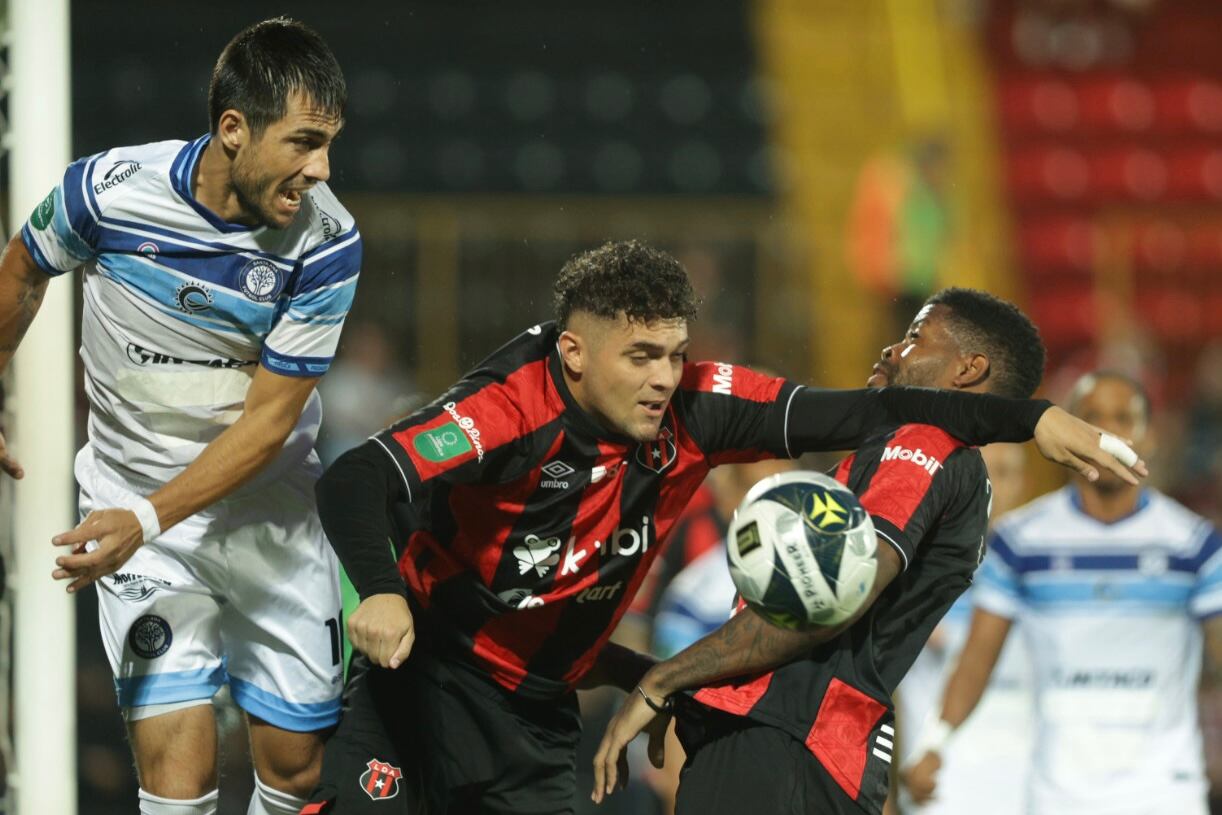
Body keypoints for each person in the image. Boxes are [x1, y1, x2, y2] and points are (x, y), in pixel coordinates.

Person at [308, 243, 1140, 815]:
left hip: (543, 714)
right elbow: (357, 477)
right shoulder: (510, 404)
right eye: (640, 356)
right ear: (573, 354)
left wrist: (1027, 421)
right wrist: (379, 590)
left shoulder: (705, 405)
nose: (664, 378)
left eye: (674, 353)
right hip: (426, 677)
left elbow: (869, 417)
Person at [0, 18, 358, 815]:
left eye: (329, 143)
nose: (321, 168)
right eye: (302, 141)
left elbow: (267, 426)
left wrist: (144, 516)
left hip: (268, 516)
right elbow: (24, 267)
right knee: (177, 771)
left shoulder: (326, 244)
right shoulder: (105, 193)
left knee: (296, 769)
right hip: (136, 512)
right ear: (235, 129)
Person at [590, 288, 1068, 815]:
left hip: (784, 745)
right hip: (811, 748)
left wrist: (664, 678)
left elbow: (835, 592)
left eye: (915, 337)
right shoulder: (949, 469)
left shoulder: (925, 444)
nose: (892, 349)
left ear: (967, 369)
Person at [902, 371, 1222, 815]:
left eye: (1125, 418)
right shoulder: (1021, 543)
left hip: (1166, 792)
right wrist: (936, 744)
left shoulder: (1195, 545)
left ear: (1150, 436)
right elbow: (976, 660)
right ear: (1070, 434)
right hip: (1058, 794)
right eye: (1092, 418)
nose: (1109, 432)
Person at [893, 443, 1034, 815]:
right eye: (988, 472)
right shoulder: (910, 574)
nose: (995, 487)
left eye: (1006, 474)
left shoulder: (1044, 577)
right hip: (936, 788)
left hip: (1028, 786)